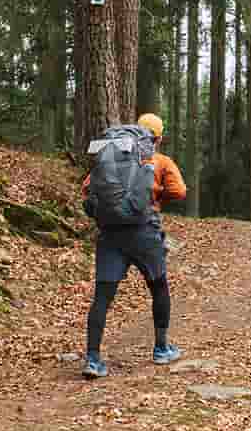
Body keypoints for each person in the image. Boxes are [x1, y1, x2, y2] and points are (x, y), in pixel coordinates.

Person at [79, 112, 187, 379]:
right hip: (143, 233)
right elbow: (180, 191)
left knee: (102, 298)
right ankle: (161, 348)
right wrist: (156, 193)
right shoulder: (159, 160)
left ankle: (93, 359)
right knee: (159, 286)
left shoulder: (109, 159)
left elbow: (86, 190)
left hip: (109, 234)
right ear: (158, 138)